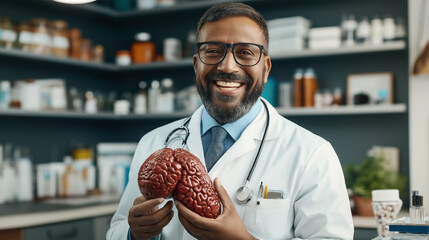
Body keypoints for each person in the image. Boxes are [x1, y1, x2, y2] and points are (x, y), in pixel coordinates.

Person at [107, 2, 354, 240]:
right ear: (196, 64)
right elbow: (117, 228)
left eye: (245, 53)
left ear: (266, 69)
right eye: (213, 51)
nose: (227, 66)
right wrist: (134, 234)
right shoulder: (154, 142)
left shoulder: (312, 153)